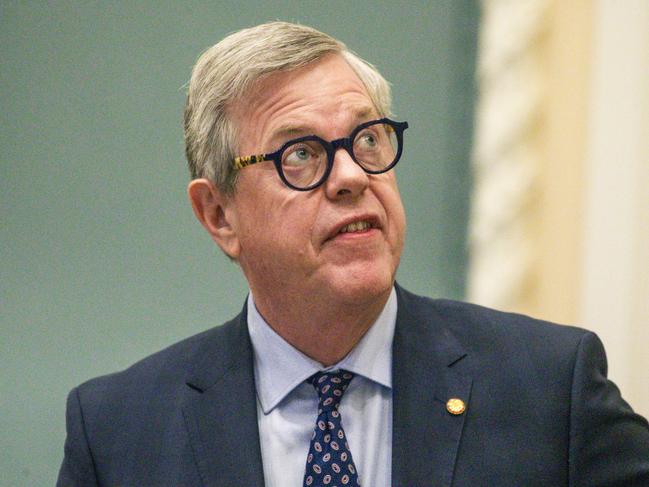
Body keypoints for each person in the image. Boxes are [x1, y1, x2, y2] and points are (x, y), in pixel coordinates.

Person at [57, 21, 649, 487]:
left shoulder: (551, 386)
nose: (350, 176)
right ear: (219, 215)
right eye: (301, 154)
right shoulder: (117, 431)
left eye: (367, 139)